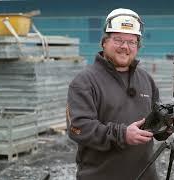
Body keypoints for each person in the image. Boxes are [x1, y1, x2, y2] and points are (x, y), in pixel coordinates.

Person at [66, 8, 161, 180]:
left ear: (138, 46)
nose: (125, 47)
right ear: (104, 42)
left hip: (145, 176)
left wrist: (165, 125)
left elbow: (154, 125)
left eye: (132, 42)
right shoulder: (85, 82)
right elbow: (77, 128)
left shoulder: (147, 80)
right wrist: (122, 134)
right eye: (118, 40)